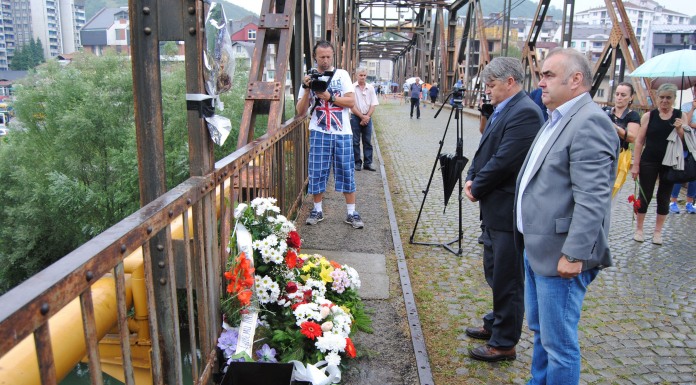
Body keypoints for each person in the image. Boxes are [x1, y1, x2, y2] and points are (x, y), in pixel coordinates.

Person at [514, 48, 618, 384]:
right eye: (541, 74)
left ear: (576, 80)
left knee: (560, 345)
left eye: (548, 75)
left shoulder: (590, 122)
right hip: (538, 247)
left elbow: (593, 199)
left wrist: (574, 253)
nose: (540, 81)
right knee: (543, 334)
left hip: (562, 255)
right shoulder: (557, 117)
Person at [464, 57, 544, 362]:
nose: (487, 90)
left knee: (508, 277)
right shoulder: (506, 109)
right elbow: (486, 149)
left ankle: (504, 342)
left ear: (510, 81)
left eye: (491, 84)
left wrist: (477, 185)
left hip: (509, 208)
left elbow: (505, 159)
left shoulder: (525, 112)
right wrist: (472, 176)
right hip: (495, 206)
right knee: (495, 270)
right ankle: (496, 323)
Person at [296, 40, 364, 229]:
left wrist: (330, 97)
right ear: (315, 57)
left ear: (332, 56)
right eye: (321, 57)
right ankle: (317, 209)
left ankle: (351, 213)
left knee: (346, 171)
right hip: (319, 131)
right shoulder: (309, 78)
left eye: (328, 57)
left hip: (342, 132)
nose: (325, 60)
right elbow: (300, 112)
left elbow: (351, 102)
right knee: (317, 171)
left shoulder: (341, 75)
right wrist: (306, 90)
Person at [631, 83, 687, 244]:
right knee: (645, 195)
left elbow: (684, 142)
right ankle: (639, 229)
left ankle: (657, 232)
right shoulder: (649, 116)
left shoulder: (680, 116)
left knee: (664, 196)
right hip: (649, 160)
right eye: (661, 97)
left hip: (669, 162)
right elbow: (640, 141)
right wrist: (636, 164)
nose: (664, 101)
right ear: (656, 98)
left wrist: (679, 130)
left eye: (668, 98)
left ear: (674, 99)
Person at [669, 93, 696, 214]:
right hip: (686, 143)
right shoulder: (686, 107)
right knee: (681, 171)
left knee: (694, 175)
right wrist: (693, 109)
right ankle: (673, 201)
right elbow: (685, 123)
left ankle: (690, 202)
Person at [350, 67, 379, 172]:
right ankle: (357, 163)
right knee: (355, 141)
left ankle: (368, 163)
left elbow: (373, 104)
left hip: (367, 116)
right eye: (360, 75)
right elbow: (351, 105)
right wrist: (362, 117)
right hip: (355, 117)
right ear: (356, 75)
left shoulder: (370, 88)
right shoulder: (352, 87)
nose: (362, 77)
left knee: (367, 141)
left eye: (364, 75)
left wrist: (366, 117)